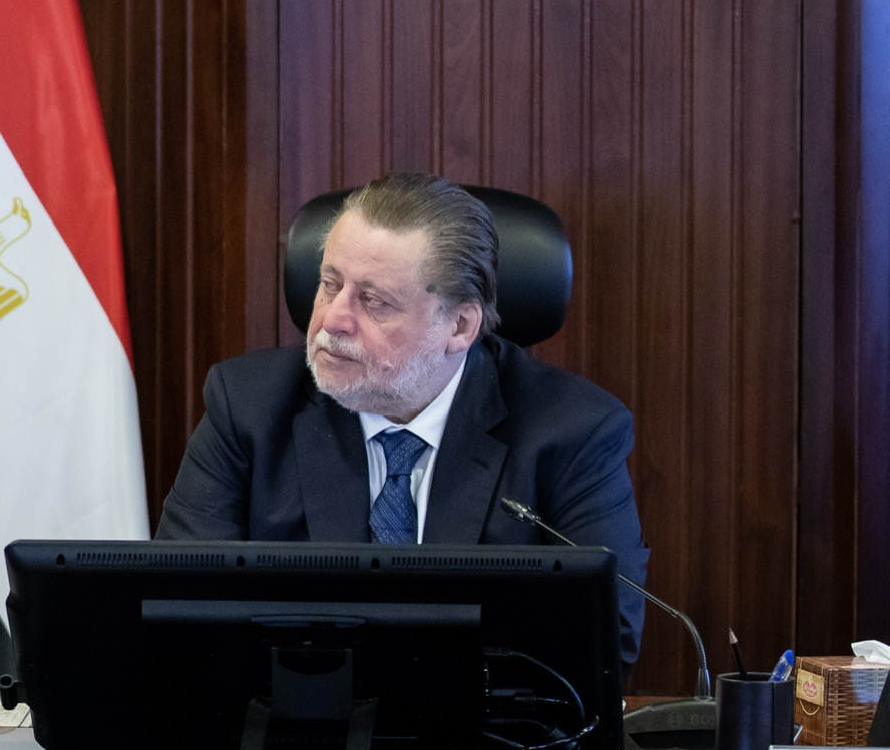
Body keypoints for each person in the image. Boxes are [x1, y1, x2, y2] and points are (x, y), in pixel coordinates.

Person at [158, 171, 649, 662]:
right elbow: (176, 615)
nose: (332, 319)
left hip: (480, 712)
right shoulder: (247, 406)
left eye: (374, 301)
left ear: (459, 327)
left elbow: (604, 640)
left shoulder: (574, 432)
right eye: (329, 284)